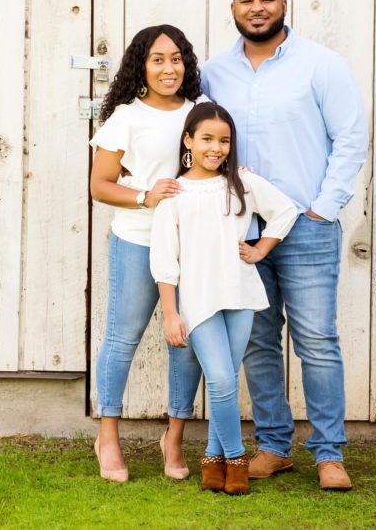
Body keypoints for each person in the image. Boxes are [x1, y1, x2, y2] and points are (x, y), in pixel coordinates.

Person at [200, 0, 368, 491]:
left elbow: (351, 137)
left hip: (306, 227)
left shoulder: (322, 65)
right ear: (232, 9)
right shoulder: (213, 73)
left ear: (284, 4)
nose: (257, 7)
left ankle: (328, 453)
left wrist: (323, 207)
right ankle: (274, 446)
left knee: (317, 340)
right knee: (257, 342)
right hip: (241, 231)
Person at [150, 102, 297, 495]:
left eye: (224, 141)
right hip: (198, 300)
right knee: (218, 379)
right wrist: (170, 313)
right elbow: (164, 260)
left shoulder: (241, 184)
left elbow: (284, 210)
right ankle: (235, 459)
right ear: (188, 141)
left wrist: (261, 248)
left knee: (226, 381)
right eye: (207, 139)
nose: (216, 148)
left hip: (240, 291)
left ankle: (212, 460)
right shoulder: (174, 195)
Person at [89, 24, 207, 483]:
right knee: (123, 338)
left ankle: (173, 438)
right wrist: (144, 196)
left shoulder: (201, 111)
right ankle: (108, 437)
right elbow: (100, 185)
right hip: (138, 239)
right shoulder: (126, 117)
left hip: (191, 245)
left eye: (176, 58)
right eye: (157, 59)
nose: (168, 68)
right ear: (141, 65)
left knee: (187, 340)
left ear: (187, 64)